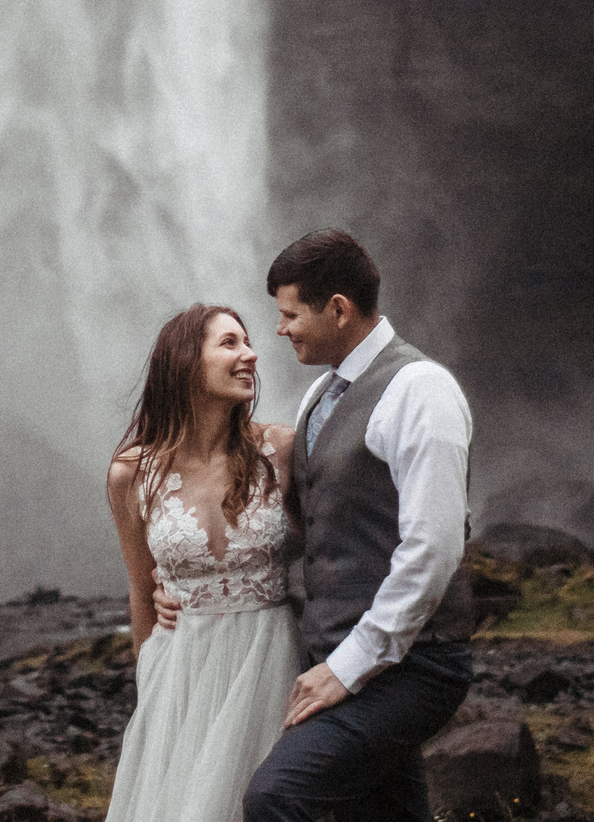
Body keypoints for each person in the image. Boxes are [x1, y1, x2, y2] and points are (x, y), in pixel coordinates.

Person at [240, 228, 477, 822]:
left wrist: (346, 670)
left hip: (413, 665)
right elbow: (313, 524)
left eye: (290, 313)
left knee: (275, 799)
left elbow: (434, 546)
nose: (280, 329)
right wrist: (188, 577)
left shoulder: (422, 391)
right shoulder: (319, 395)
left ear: (339, 309)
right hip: (340, 656)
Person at [103, 303, 304, 822]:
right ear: (186, 362)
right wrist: (151, 694)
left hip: (269, 658)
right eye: (230, 343)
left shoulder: (282, 450)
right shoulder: (131, 473)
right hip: (180, 670)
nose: (251, 355)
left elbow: (328, 552)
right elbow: (138, 586)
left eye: (248, 342)